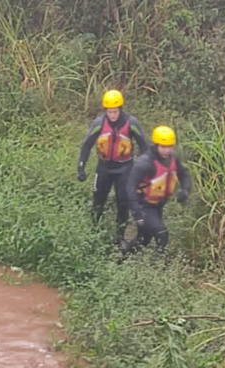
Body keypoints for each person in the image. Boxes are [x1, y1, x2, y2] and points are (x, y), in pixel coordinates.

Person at [76, 89, 150, 245]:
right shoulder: (99, 123)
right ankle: (93, 233)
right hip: (104, 167)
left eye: (115, 111)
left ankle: (119, 237)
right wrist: (81, 167)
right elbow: (87, 145)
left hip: (125, 168)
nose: (113, 115)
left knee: (123, 202)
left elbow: (144, 146)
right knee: (98, 201)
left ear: (120, 109)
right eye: (109, 112)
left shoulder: (131, 122)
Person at [122, 125, 192, 253]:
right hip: (143, 205)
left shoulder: (174, 158)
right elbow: (130, 187)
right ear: (156, 145)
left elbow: (184, 175)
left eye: (170, 147)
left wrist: (185, 190)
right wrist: (137, 212)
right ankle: (159, 261)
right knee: (162, 234)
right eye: (163, 147)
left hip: (158, 205)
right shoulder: (145, 163)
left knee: (144, 239)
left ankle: (122, 257)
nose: (167, 150)